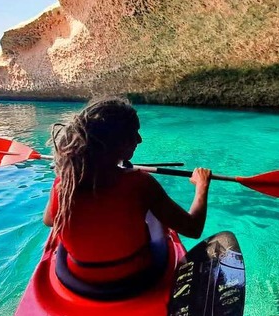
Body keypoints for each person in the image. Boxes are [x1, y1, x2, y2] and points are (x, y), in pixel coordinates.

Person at [43, 96, 212, 284]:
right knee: (155, 219)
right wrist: (202, 186)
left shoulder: (64, 183)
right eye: (134, 133)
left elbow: (49, 221)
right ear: (116, 142)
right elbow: (193, 228)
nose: (139, 140)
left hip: (80, 278)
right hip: (134, 277)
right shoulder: (141, 183)